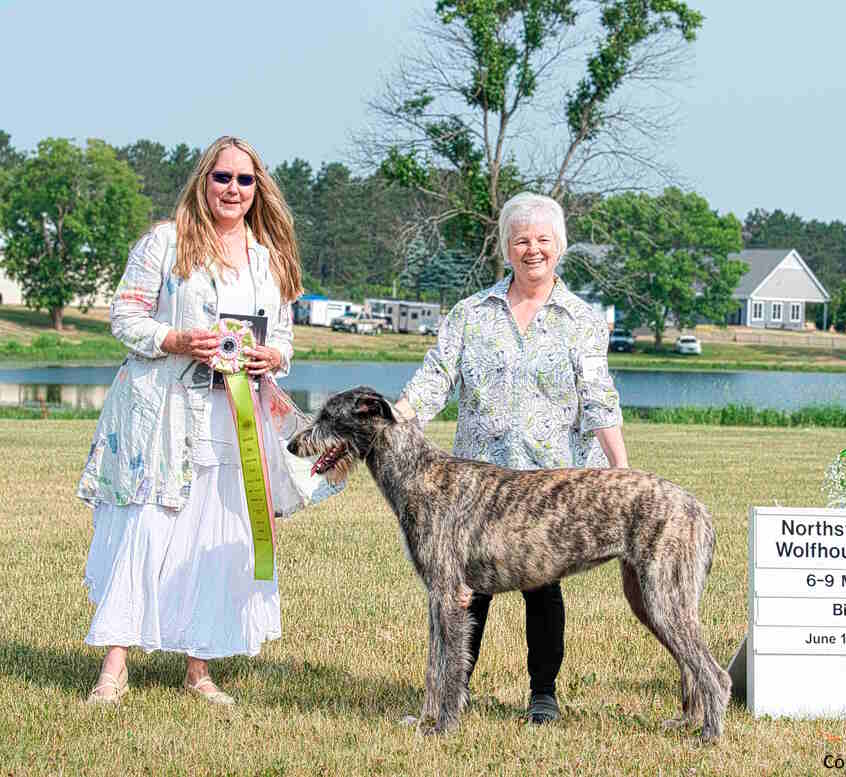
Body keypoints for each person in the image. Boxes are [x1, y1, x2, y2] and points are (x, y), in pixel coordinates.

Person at [78, 135, 339, 705]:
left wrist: (276, 356)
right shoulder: (165, 243)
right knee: (146, 531)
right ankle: (114, 667)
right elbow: (123, 315)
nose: (233, 189)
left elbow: (285, 336)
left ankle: (200, 667)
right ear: (204, 180)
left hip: (237, 419)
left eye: (244, 181)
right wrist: (172, 338)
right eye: (223, 177)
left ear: (257, 189)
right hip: (166, 416)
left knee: (218, 534)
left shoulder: (268, 258)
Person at [394, 192, 628, 725]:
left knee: (542, 589)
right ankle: (454, 693)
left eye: (543, 239)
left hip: (551, 484)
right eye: (521, 239)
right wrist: (396, 416)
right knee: (465, 588)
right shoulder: (470, 314)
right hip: (476, 483)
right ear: (506, 247)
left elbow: (599, 397)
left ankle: (543, 694)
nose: (532, 249)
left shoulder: (583, 320)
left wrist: (621, 471)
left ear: (559, 247)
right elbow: (434, 381)